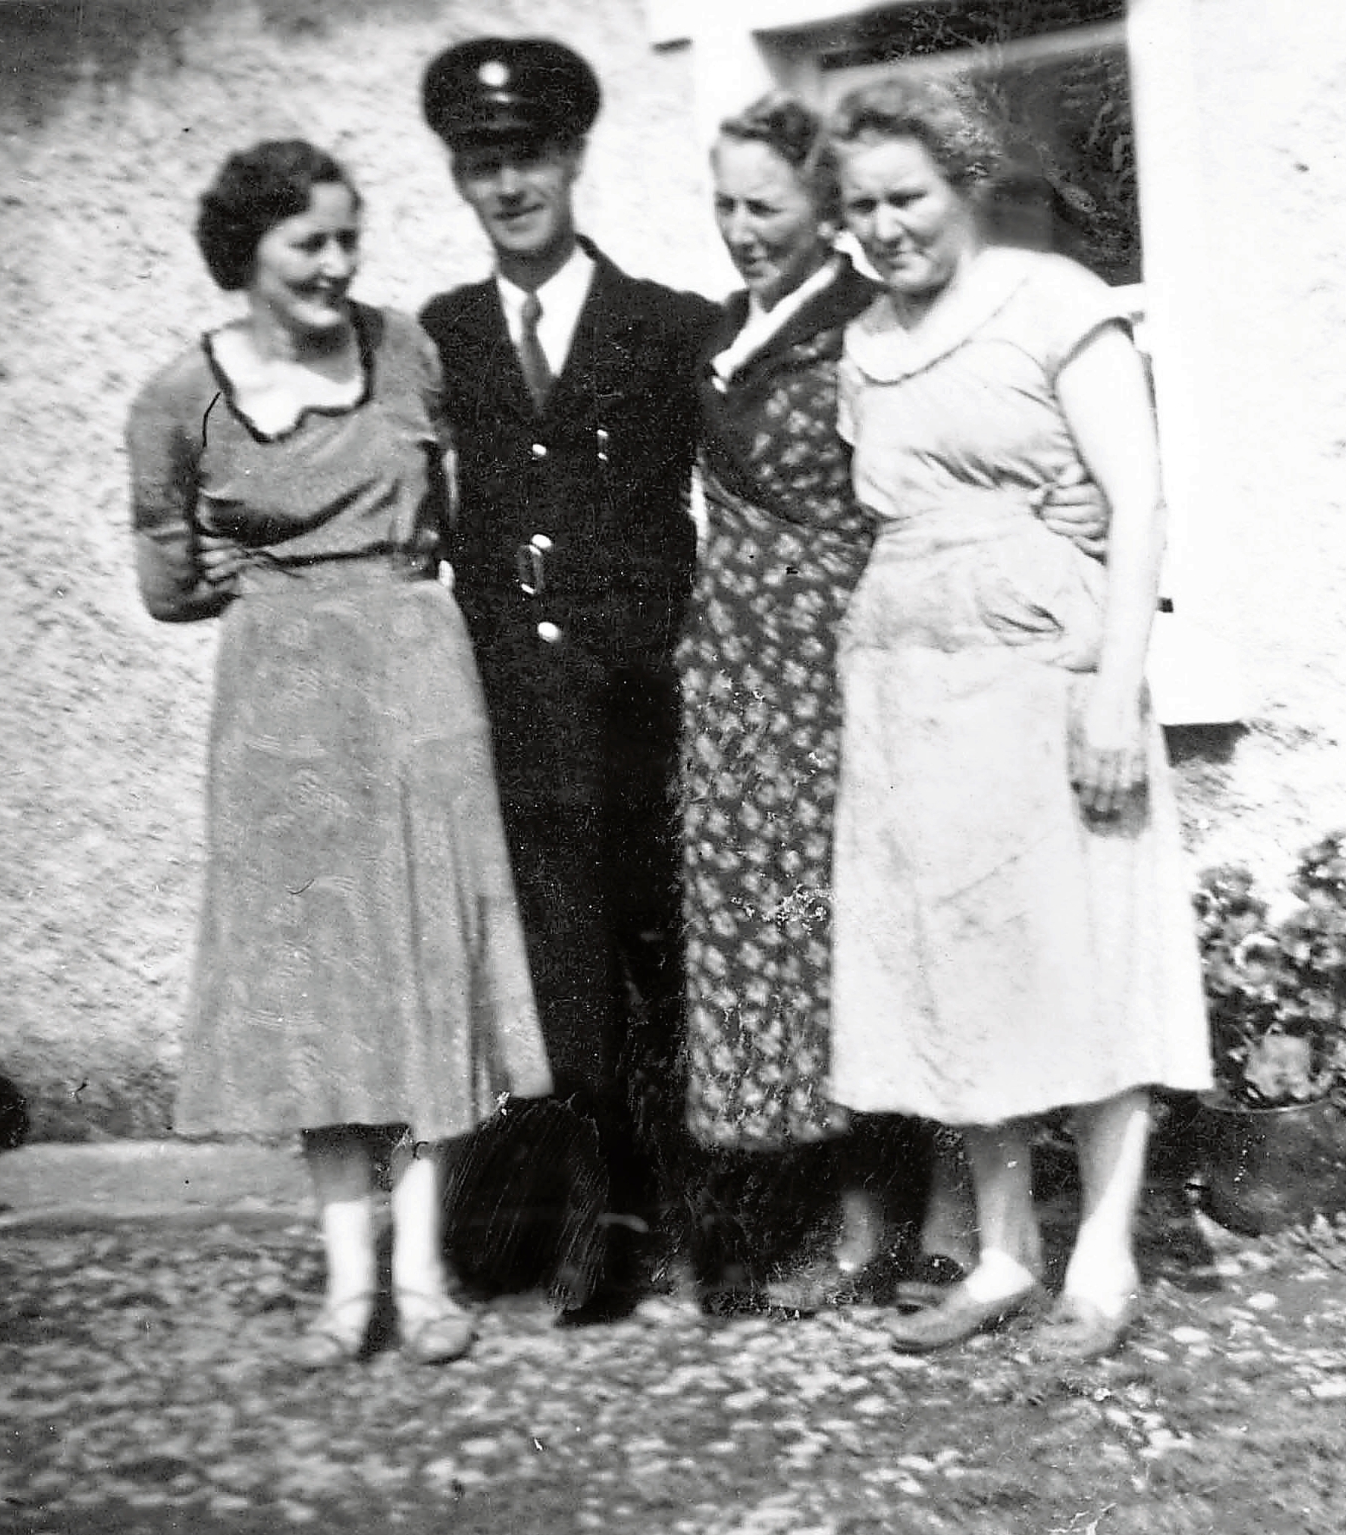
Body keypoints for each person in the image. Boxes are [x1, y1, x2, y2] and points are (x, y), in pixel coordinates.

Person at [678, 92, 1109, 1313]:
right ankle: (843, 1202)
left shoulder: (867, 330)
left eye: (767, 206)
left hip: (854, 648)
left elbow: (965, 463)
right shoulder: (722, 331)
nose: (743, 230)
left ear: (823, 211)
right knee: (783, 926)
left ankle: (929, 1211)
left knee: (880, 926)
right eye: (724, 206)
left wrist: (1058, 511)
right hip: (743, 666)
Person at [127, 139, 551, 1367]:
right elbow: (165, 580)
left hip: (415, 675)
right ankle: (347, 1282)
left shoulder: (406, 350)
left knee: (424, 962)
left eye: (347, 239)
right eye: (307, 242)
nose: (335, 264)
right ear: (245, 251)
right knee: (317, 980)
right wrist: (228, 573)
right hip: (281, 699)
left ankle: (422, 1276)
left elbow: (461, 511)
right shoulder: (179, 397)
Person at [824, 78, 1213, 1360]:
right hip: (909, 685)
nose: (885, 227)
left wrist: (1113, 693)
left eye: (908, 197)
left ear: (967, 184)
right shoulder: (865, 344)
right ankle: (1003, 1252)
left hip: (1046, 666)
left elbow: (1138, 505)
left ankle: (1103, 1259)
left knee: (1082, 954)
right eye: (861, 207)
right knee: (956, 963)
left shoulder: (1053, 303)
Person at [418, 37, 719, 1311]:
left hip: (650, 697)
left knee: (669, 953)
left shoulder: (670, 326)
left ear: (576, 156)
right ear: (458, 177)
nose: (508, 185)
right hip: (515, 703)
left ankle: (710, 1210)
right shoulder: (439, 336)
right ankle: (597, 1217)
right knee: (556, 960)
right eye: (482, 163)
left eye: (529, 156)